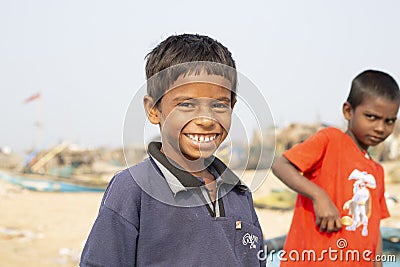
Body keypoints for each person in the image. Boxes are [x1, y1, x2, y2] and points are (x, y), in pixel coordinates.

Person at [80, 34, 265, 266]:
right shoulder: (132, 190)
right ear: (153, 110)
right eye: (186, 104)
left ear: (232, 106)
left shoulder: (239, 194)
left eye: (219, 104)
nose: (206, 120)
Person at [272, 69, 400, 266]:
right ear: (348, 111)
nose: (381, 128)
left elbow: (374, 231)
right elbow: (281, 165)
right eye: (371, 117)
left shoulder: (377, 172)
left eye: (389, 121)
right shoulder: (330, 140)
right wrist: (319, 196)